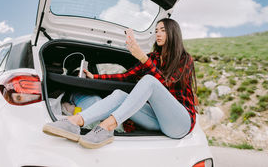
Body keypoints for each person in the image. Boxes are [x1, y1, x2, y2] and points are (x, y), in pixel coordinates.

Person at [42, 18, 197, 149]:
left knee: (149, 81)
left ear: (173, 32)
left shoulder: (184, 59)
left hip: (180, 123)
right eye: (156, 30)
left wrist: (143, 58)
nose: (158, 33)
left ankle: (107, 126)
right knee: (119, 95)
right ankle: (75, 122)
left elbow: (167, 85)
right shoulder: (153, 57)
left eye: (162, 30)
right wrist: (94, 77)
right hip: (157, 121)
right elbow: (126, 77)